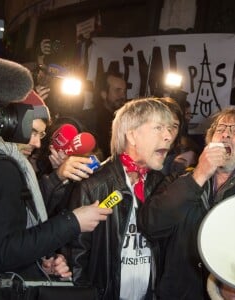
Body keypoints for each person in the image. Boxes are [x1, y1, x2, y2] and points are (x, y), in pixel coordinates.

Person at [0, 91, 112, 300]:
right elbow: (0, 254)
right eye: (33, 132)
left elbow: (17, 230)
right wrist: (73, 222)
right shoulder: (2, 168)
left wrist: (43, 261)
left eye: (41, 135)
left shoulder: (1, 162)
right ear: (10, 123)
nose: (37, 144)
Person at [66, 98, 174, 300]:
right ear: (132, 135)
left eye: (169, 129)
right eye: (159, 128)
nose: (169, 136)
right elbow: (76, 255)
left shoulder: (162, 184)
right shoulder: (93, 186)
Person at [138, 107, 235, 299]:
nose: (225, 134)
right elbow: (151, 225)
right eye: (220, 129)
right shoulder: (178, 180)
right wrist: (199, 175)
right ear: (209, 141)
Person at [80, 71, 127, 158]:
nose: (122, 96)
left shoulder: (128, 119)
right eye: (118, 91)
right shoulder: (89, 119)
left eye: (124, 91)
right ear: (104, 94)